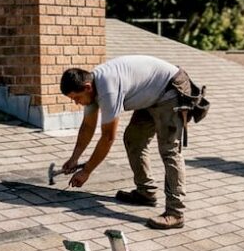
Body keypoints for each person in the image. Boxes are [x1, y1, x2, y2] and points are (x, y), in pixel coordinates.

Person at [59, 55, 193, 230]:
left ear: (87, 87)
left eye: (76, 98)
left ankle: (175, 213)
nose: (77, 103)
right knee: (134, 139)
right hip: (152, 95)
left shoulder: (108, 90)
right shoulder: (92, 90)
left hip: (171, 91)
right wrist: (74, 158)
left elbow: (107, 137)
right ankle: (146, 192)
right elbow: (87, 127)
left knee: (170, 151)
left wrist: (86, 171)